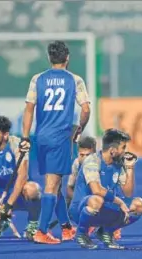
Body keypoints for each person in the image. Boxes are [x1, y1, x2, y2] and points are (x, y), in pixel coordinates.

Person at [21, 40, 90, 244]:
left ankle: (67, 227)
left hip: (41, 136)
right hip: (60, 137)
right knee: (51, 185)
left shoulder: (37, 79)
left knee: (55, 182)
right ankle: (41, 231)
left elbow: (28, 108)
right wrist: (79, 130)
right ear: (67, 58)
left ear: (49, 58)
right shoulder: (74, 80)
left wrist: (25, 136)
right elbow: (85, 109)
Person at [70, 129, 142, 249]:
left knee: (139, 205)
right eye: (123, 147)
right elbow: (96, 190)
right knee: (96, 200)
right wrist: (120, 202)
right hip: (82, 208)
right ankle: (82, 234)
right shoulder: (93, 161)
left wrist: (130, 168)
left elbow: (128, 193)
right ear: (112, 150)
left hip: (105, 207)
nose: (125, 151)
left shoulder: (118, 164)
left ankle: (106, 232)